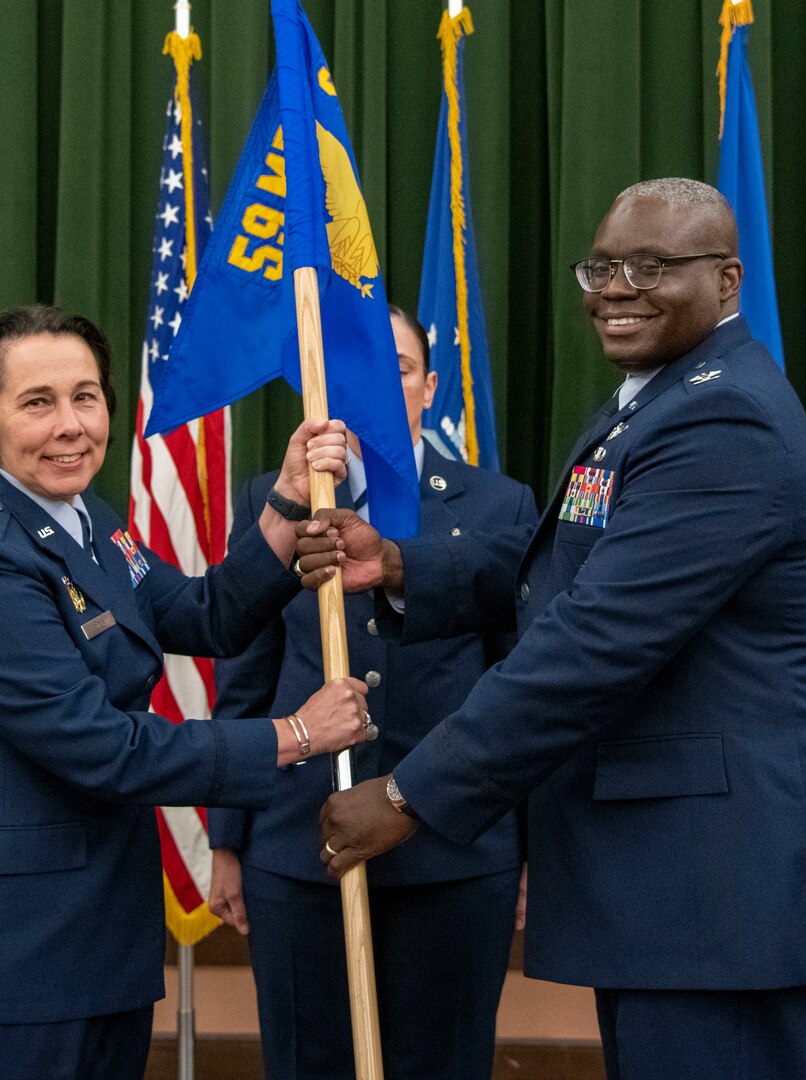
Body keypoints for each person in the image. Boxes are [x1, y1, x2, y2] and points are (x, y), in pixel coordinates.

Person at [299, 180, 806, 1080]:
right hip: (684, 894)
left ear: (726, 280)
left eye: (652, 266)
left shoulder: (723, 417)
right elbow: (573, 568)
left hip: (730, 894)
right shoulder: (658, 395)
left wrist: (410, 796)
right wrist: (401, 567)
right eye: (601, 266)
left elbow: (596, 641)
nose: (617, 287)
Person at [0, 304, 370, 1080]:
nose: (71, 425)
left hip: (97, 947)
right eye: (37, 402)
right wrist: (297, 736)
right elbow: (103, 747)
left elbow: (203, 615)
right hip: (8, 962)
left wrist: (284, 501)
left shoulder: (87, 520)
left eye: (86, 396)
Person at [206, 305, 537, 1080]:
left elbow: (523, 687)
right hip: (298, 848)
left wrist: (530, 850)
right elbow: (243, 678)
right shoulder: (274, 499)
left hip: (453, 849)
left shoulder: (499, 505)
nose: (382, 383)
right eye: (357, 365)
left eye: (399, 366)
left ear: (428, 387)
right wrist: (227, 842)